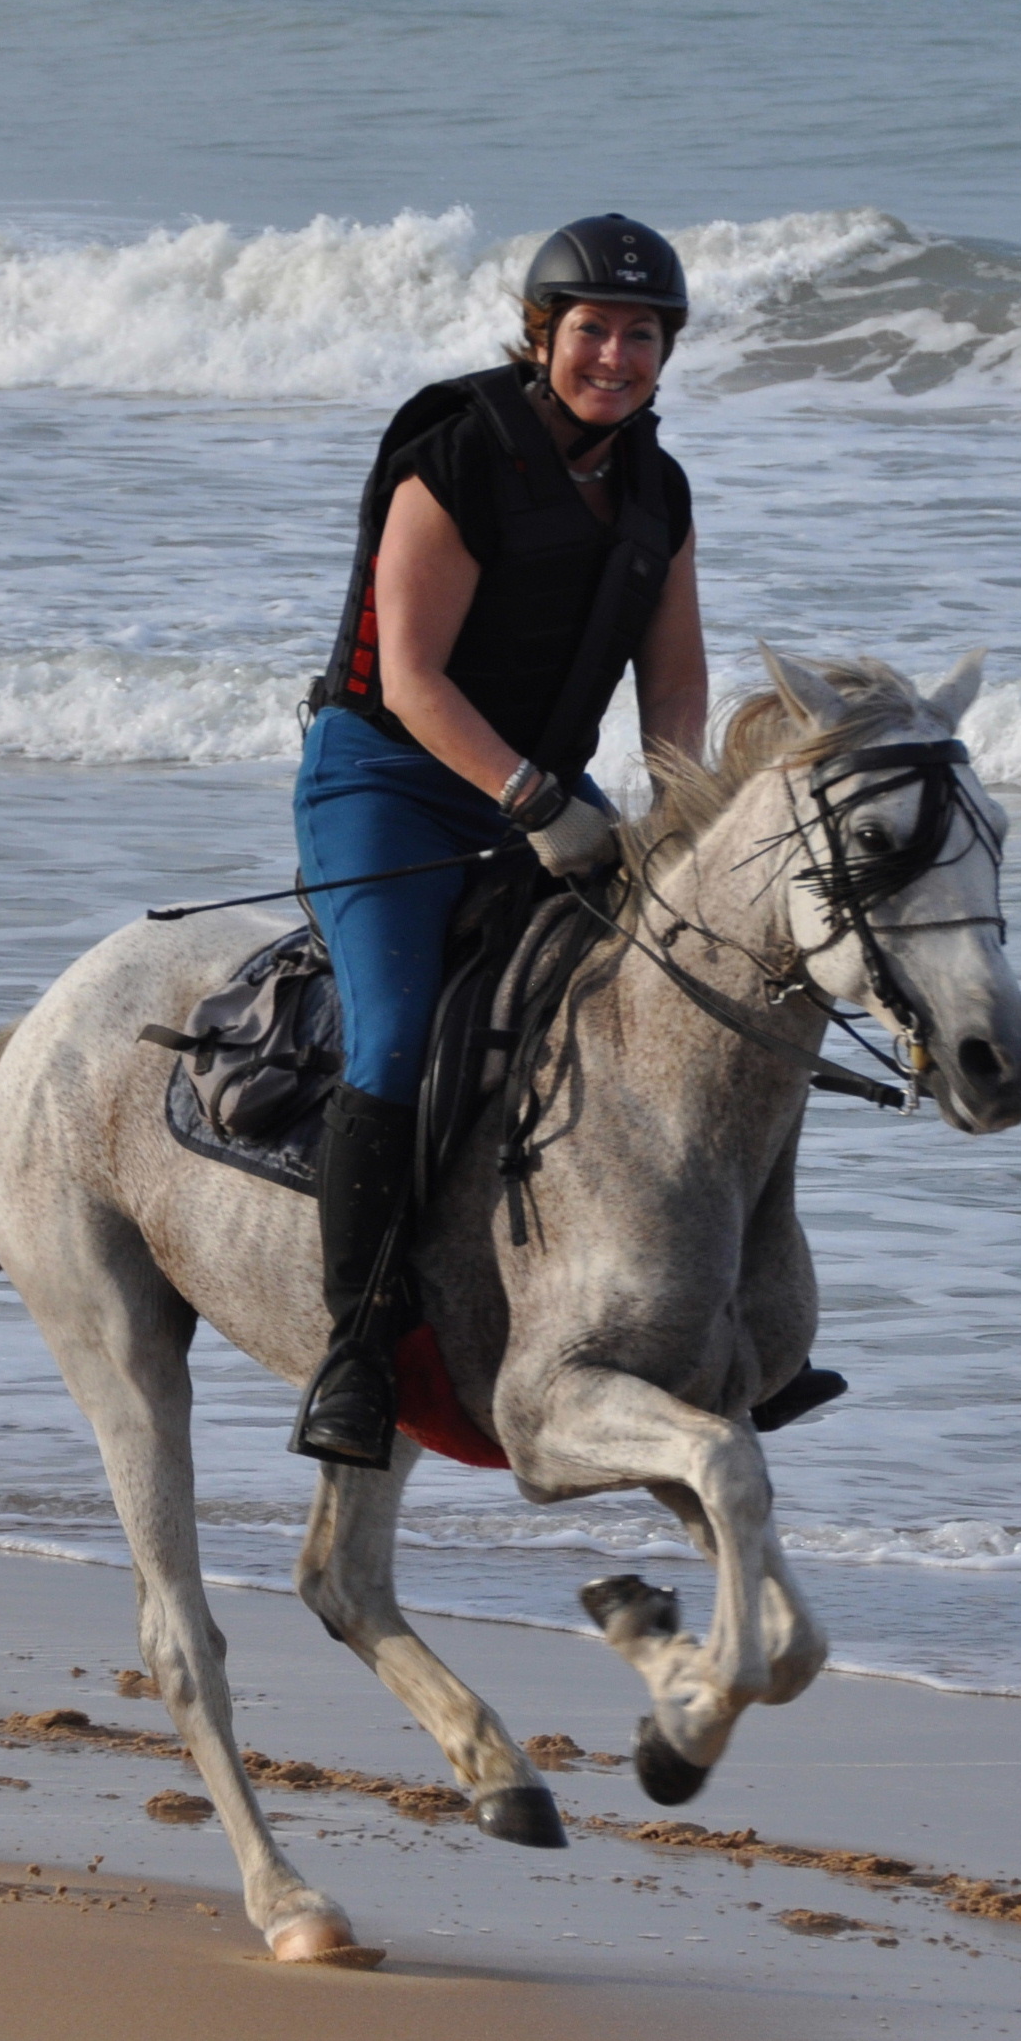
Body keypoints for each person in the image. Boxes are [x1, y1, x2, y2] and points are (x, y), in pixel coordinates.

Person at [290, 213, 708, 1469]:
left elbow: (673, 689)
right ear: (542, 335)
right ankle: (355, 1354)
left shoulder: (657, 489)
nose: (617, 357)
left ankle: (713, 1320)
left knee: (679, 1008)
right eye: (593, 330)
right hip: (387, 783)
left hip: (544, 794)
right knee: (405, 1033)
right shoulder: (457, 453)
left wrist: (676, 818)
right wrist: (542, 806)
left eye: (642, 335)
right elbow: (412, 679)